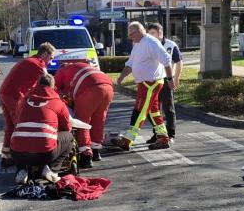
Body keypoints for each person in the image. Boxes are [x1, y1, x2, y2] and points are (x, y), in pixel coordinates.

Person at [114, 21, 175, 151]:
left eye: (131, 34)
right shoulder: (137, 44)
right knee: (153, 112)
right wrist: (122, 76)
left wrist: (170, 79)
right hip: (145, 83)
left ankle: (127, 140)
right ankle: (163, 138)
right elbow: (130, 63)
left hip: (151, 83)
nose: (130, 37)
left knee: (139, 111)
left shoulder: (151, 42)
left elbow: (166, 59)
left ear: (139, 31)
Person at [0, 42, 55, 167]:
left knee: (11, 126)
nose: (50, 61)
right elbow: (47, 86)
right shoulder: (40, 65)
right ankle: (23, 158)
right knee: (22, 126)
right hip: (14, 96)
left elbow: (31, 85)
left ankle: (6, 156)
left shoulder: (29, 60)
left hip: (4, 93)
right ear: (45, 54)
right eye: (50, 58)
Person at [10, 73, 73, 184]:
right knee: (69, 137)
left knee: (18, 136)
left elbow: (16, 121)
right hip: (45, 154)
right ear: (52, 87)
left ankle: (21, 170)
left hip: (17, 153)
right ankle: (52, 170)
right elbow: (66, 127)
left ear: (37, 85)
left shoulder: (24, 100)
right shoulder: (57, 102)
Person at [54, 61, 114, 168]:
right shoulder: (80, 67)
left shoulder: (61, 71)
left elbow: (54, 90)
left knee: (82, 122)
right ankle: (96, 151)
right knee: (99, 119)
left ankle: (86, 155)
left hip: (89, 87)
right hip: (108, 87)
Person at [146, 22, 183, 143]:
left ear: (160, 33)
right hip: (152, 81)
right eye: (149, 33)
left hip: (166, 80)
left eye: (153, 33)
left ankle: (171, 134)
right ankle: (158, 133)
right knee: (153, 110)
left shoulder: (170, 45)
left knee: (168, 109)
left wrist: (176, 78)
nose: (150, 36)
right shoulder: (148, 45)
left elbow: (179, 62)